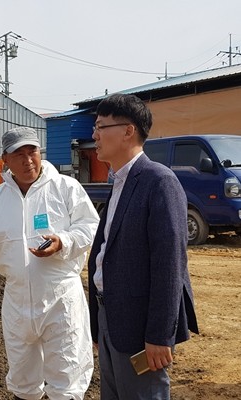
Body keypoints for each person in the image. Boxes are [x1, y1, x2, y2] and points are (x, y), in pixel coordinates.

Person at [0, 126, 99, 400]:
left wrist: (63, 242)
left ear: (40, 153)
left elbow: (89, 227)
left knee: (66, 376)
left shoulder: (65, 188)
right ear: (5, 159)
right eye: (18, 154)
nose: (27, 160)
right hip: (17, 300)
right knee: (22, 377)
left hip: (61, 298)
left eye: (32, 152)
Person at [88, 93, 199, 399]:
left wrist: (160, 335)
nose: (94, 135)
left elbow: (169, 265)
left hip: (140, 328)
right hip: (111, 320)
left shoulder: (159, 181)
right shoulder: (120, 183)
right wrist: (98, 325)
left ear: (128, 131)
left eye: (100, 126)